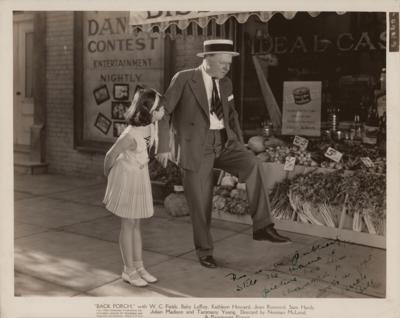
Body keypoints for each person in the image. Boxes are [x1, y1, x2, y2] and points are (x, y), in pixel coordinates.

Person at [156, 39, 291, 269]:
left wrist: (239, 142)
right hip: (195, 146)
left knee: (253, 164)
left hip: (225, 142)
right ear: (207, 59)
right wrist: (163, 146)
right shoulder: (184, 79)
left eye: (229, 64)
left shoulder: (226, 83)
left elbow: (231, 115)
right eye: (222, 63)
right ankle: (204, 251)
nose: (227, 68)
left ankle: (262, 227)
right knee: (201, 203)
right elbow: (163, 112)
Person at [103, 87, 165, 286]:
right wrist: (111, 178)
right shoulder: (130, 135)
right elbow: (109, 156)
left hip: (140, 174)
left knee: (136, 223)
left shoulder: (151, 125)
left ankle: (138, 266)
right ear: (150, 111)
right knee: (128, 224)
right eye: (160, 108)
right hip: (127, 177)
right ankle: (128, 270)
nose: (164, 111)